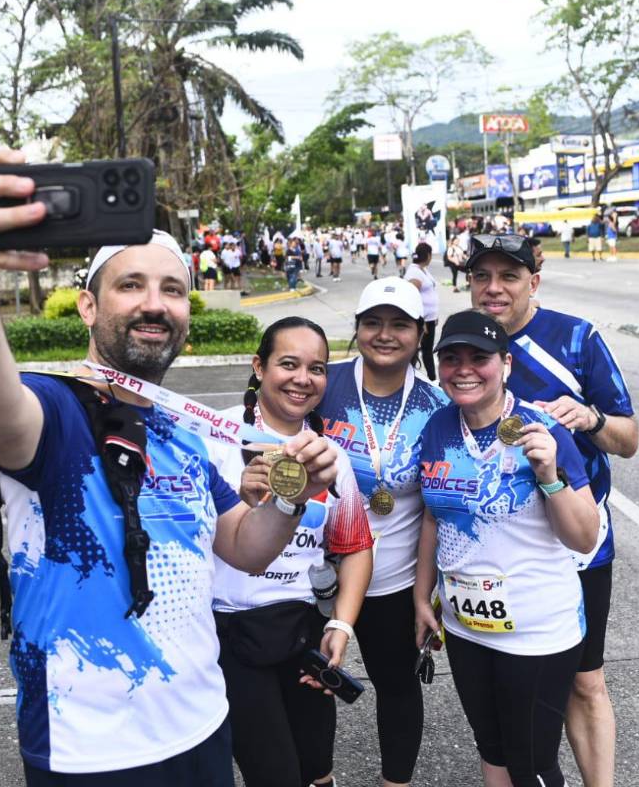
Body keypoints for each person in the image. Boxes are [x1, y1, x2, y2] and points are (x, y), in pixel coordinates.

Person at [0, 149, 341, 786]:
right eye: (131, 286)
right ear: (89, 308)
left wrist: (292, 499)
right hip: (88, 751)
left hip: (203, 725)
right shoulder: (54, 409)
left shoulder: (183, 430)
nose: (155, 304)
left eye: (172, 289)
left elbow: (243, 547)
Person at [467, 233, 638, 787]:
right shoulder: (462, 345)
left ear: (532, 283)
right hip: (496, 548)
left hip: (576, 541)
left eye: (508, 277)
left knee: (584, 681)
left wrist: (590, 421)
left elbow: (629, 438)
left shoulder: (575, 338)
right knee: (507, 681)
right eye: (482, 277)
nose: (494, 289)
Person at [413, 309, 599, 787]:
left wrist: (549, 477)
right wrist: (420, 596)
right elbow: (434, 515)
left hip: (535, 631)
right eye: (451, 358)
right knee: (492, 749)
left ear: (506, 364)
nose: (464, 369)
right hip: (467, 628)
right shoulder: (437, 428)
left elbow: (583, 537)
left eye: (480, 357)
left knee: (532, 763)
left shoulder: (542, 429)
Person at [210, 316, 374, 787]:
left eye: (317, 368)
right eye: (288, 364)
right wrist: (234, 499)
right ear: (258, 367)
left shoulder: (329, 456)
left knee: (317, 770)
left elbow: (356, 547)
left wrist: (340, 626)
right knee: (276, 775)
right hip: (231, 633)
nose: (303, 379)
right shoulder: (213, 439)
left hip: (303, 633)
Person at [315, 278, 450, 787]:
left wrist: (426, 595)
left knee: (397, 687)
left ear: (420, 333)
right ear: (357, 329)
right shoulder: (325, 383)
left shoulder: (438, 405)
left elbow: (438, 509)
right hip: (317, 575)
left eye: (399, 325)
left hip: (393, 581)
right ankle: (319, 778)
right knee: (313, 685)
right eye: (373, 323)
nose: (385, 335)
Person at [404, 243, 440, 383]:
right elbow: (412, 296)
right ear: (428, 255)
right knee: (418, 350)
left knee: (426, 350)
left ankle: (431, 378)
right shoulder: (414, 272)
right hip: (422, 320)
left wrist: (433, 316)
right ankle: (422, 378)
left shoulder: (422, 270)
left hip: (429, 319)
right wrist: (421, 320)